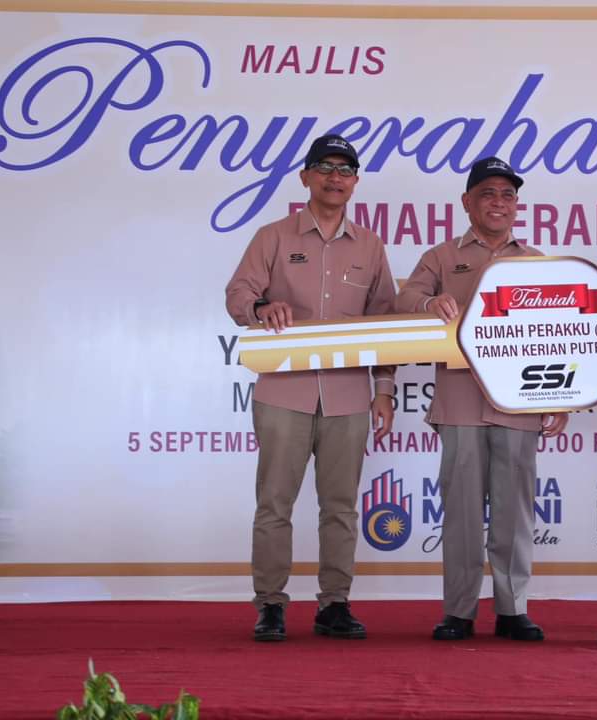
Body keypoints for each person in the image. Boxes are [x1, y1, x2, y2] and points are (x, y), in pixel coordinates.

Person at [225, 134, 397, 642]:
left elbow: (386, 323)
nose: (334, 177)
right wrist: (260, 308)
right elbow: (238, 293)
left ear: (355, 182)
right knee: (274, 505)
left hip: (348, 397)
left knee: (340, 507)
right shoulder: (273, 237)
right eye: (325, 167)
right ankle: (270, 605)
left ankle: (334, 604)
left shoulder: (370, 246)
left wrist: (384, 389)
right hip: (284, 393)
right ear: (305, 177)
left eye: (345, 170)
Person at [396, 157, 568, 642]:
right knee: (462, 513)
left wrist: (560, 397)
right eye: (488, 193)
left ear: (516, 206)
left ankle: (513, 609)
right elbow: (404, 299)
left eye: (508, 195)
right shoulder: (441, 256)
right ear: (467, 202)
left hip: (520, 402)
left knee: (515, 513)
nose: (499, 202)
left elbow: (558, 333)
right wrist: (428, 302)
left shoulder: (535, 261)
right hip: (460, 401)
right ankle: (459, 611)